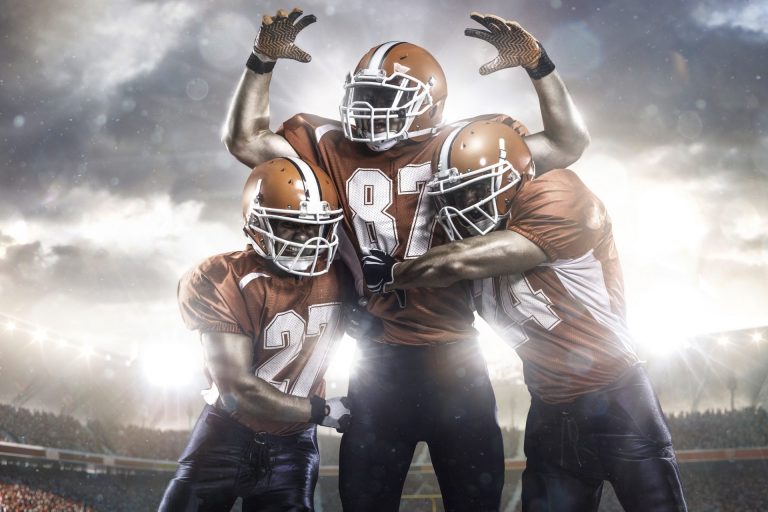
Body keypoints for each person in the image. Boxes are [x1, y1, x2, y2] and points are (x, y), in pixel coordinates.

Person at [222, 8, 590, 511]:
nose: (366, 108)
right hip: (379, 360)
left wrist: (539, 66)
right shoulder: (329, 144)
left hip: (455, 353)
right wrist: (262, 60)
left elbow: (568, 143)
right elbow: (244, 139)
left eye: (382, 96)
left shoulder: (466, 146)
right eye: (362, 94)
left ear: (428, 103)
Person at [363, 120, 688, 512]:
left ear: (518, 178)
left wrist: (394, 273)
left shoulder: (561, 196)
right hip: (548, 410)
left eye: (479, 188)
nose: (468, 203)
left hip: (619, 401)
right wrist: (363, 310)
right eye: (459, 194)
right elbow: (432, 297)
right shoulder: (459, 254)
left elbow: (459, 260)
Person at [158, 157, 354, 512]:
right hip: (225, 435)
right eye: (289, 225)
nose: (305, 239)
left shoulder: (343, 276)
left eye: (314, 227)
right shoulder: (223, 277)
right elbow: (236, 392)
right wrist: (320, 410)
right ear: (257, 224)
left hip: (293, 447)